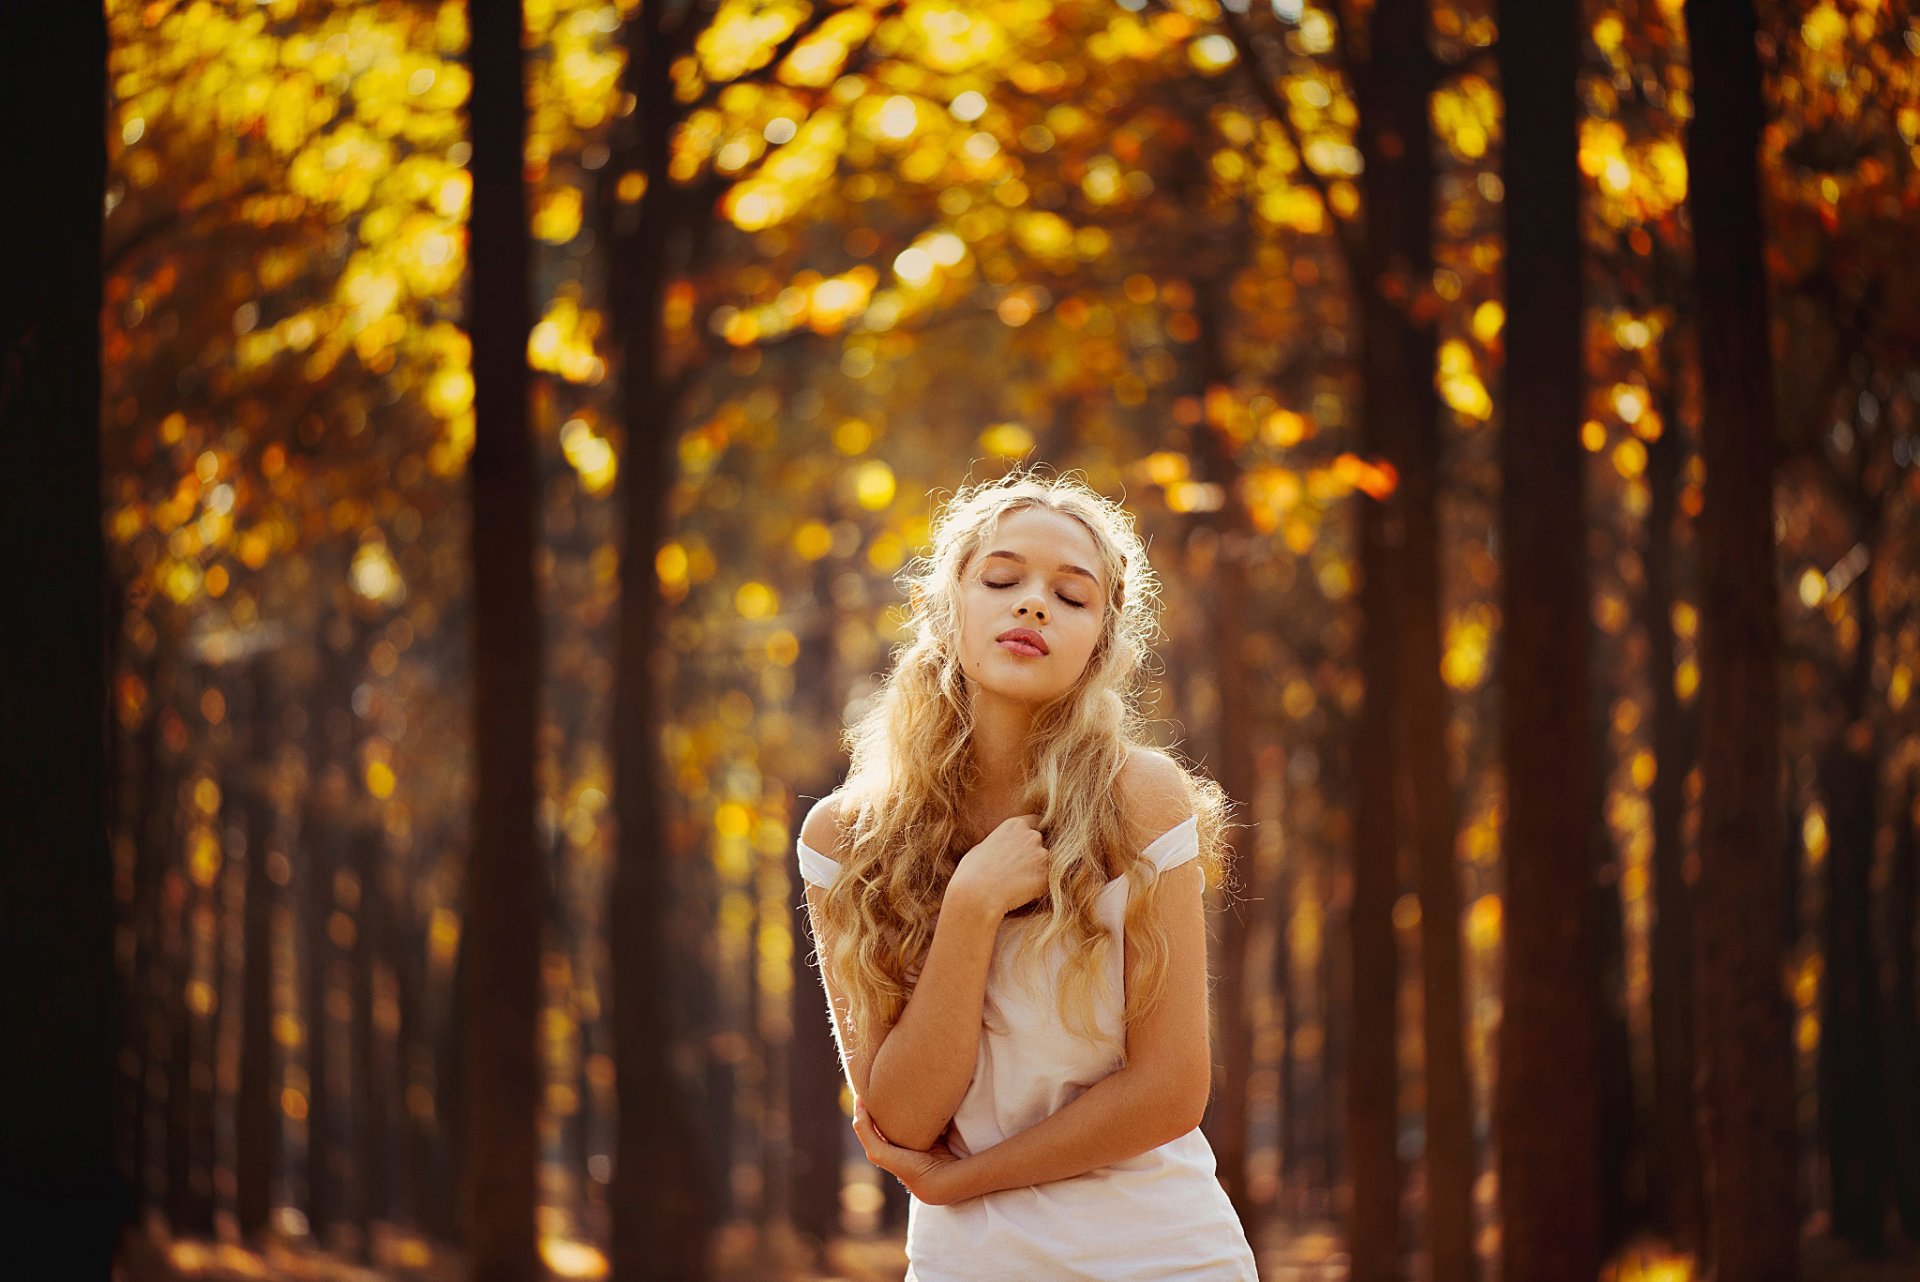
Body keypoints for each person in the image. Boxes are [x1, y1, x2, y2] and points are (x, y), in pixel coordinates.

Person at [795, 468, 1259, 1280]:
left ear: (1101, 645)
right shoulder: (845, 836)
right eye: (1003, 579)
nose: (1034, 603)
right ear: (946, 610)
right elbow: (901, 1116)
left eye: (1072, 597)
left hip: (1162, 1258)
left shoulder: (1141, 799)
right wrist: (971, 906)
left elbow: (1171, 1089)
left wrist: (962, 1180)